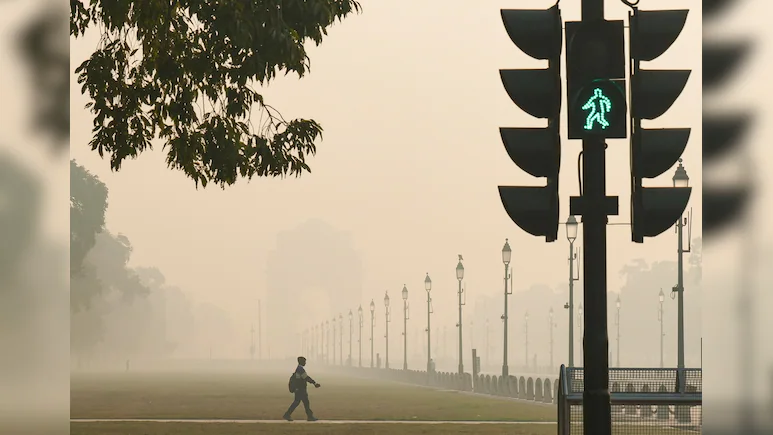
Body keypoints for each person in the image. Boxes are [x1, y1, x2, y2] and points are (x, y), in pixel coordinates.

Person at [283, 356, 320, 421]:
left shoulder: (298, 369)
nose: (305, 363)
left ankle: (309, 416)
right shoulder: (300, 370)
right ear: (302, 362)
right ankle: (288, 415)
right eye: (304, 361)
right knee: (302, 403)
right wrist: (314, 383)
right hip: (301, 389)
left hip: (299, 389)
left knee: (302, 403)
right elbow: (306, 378)